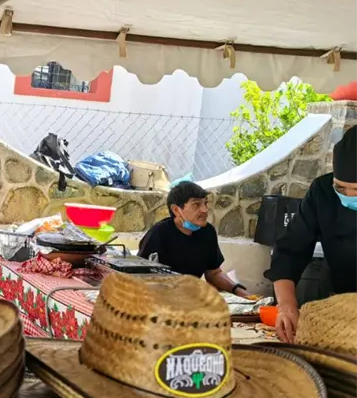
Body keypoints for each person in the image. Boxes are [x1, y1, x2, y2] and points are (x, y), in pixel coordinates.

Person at [270, 124, 357, 343]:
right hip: (335, 300)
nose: (348, 195)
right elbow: (290, 250)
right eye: (340, 188)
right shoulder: (322, 192)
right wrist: (287, 307)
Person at [138, 181, 251, 297]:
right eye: (196, 205)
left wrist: (238, 291)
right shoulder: (159, 233)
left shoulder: (207, 232)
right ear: (176, 210)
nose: (204, 210)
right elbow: (140, 276)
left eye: (205, 203)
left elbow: (213, 272)